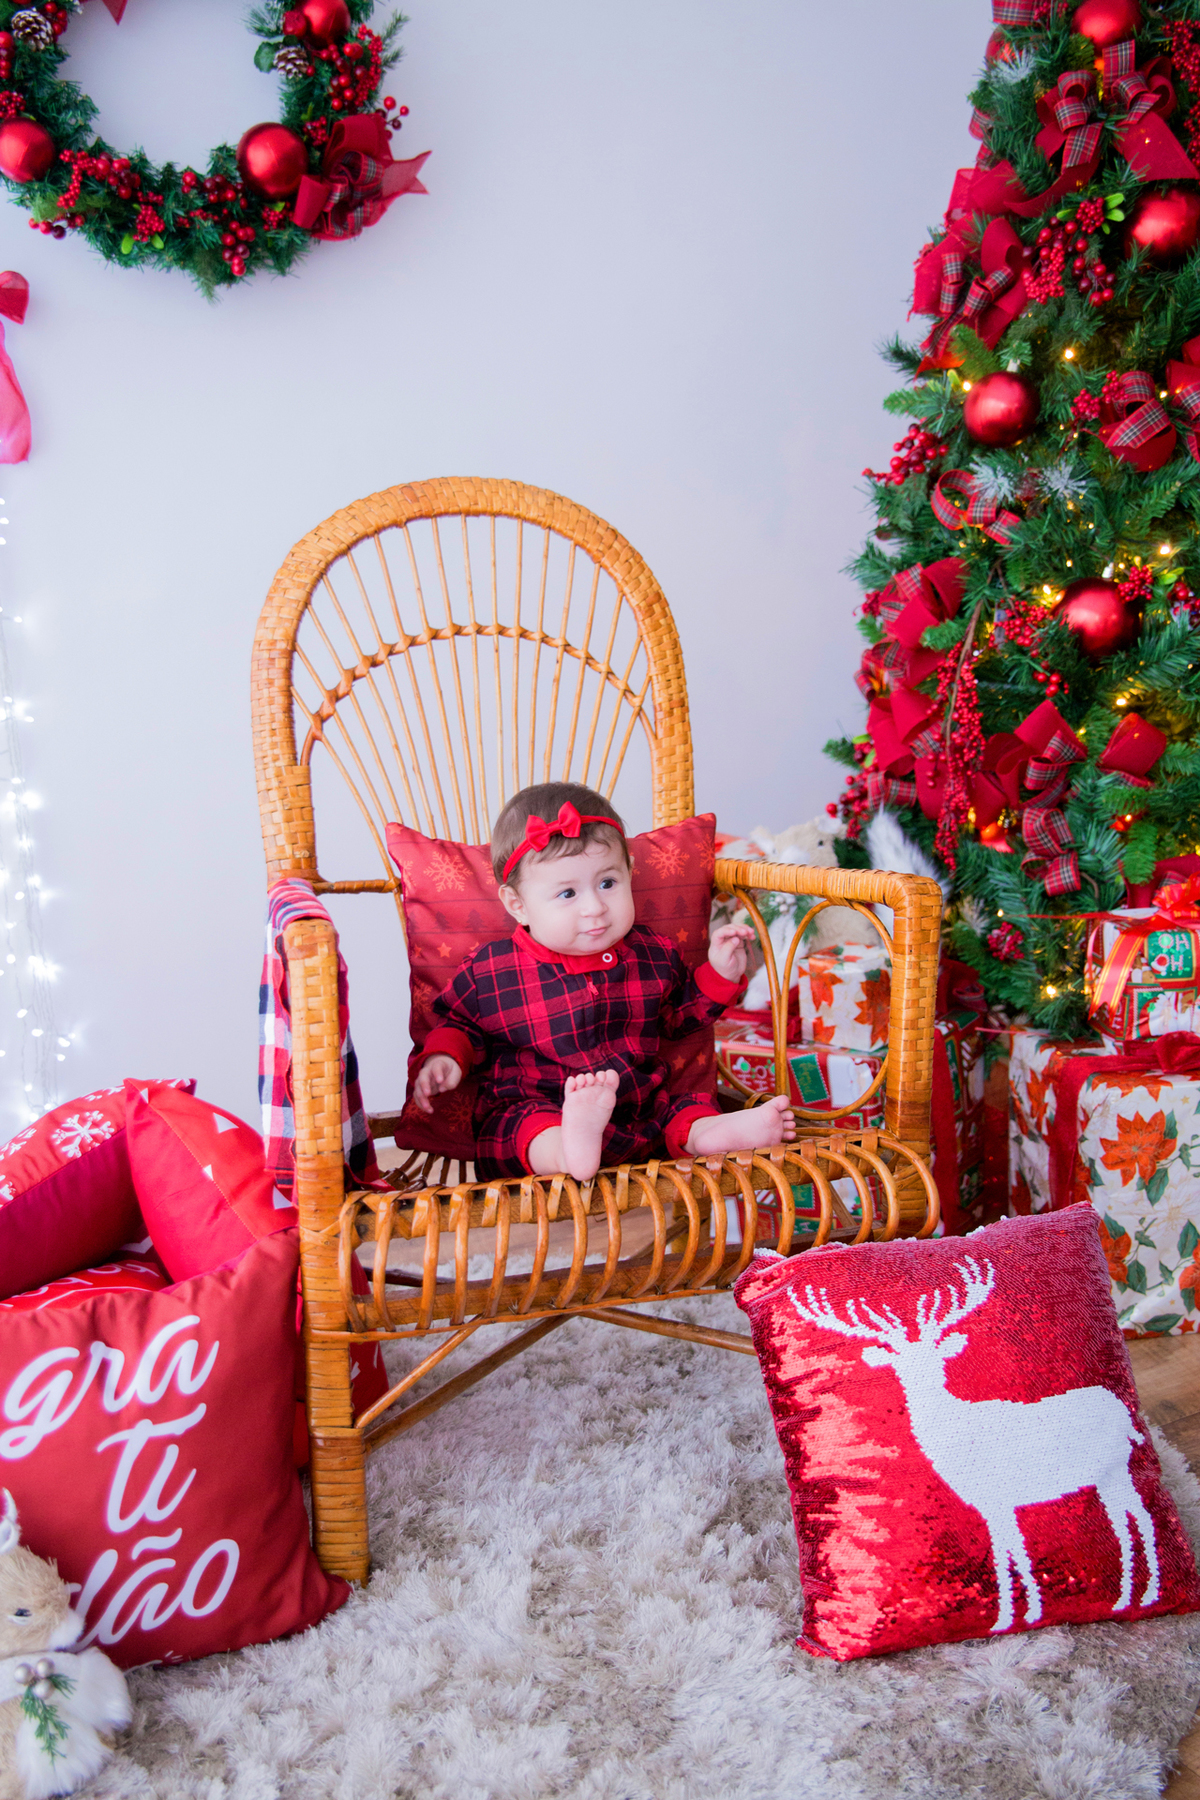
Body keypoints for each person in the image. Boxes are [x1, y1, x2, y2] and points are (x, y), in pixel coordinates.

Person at [412, 781, 796, 1180]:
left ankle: (709, 1134)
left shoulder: (651, 952)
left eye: (607, 883)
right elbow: (458, 1024)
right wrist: (445, 1057)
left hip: (637, 1105)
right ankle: (567, 1152)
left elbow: (680, 1017)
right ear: (518, 905)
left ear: (629, 872)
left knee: (680, 1108)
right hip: (539, 1106)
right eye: (567, 894)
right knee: (518, 1126)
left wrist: (720, 972)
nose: (595, 907)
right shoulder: (492, 970)